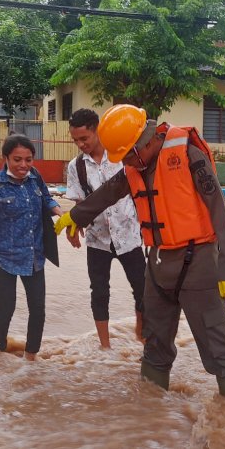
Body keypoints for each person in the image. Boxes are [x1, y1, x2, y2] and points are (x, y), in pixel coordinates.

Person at [54, 104, 225, 405]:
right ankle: (151, 421)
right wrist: (75, 216)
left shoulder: (188, 155)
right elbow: (108, 192)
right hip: (156, 263)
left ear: (148, 139)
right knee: (155, 345)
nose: (127, 162)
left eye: (129, 154)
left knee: (217, 344)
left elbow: (218, 210)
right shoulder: (135, 166)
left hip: (198, 262)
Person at [0, 134, 62, 361]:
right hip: (3, 257)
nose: (24, 165)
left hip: (34, 255)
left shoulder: (35, 177)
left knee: (38, 309)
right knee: (6, 308)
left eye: (28, 160)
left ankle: (31, 358)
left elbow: (47, 199)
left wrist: (60, 212)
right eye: (17, 159)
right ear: (6, 158)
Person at [66, 108, 146, 349]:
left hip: (129, 236)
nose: (80, 144)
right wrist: (73, 229)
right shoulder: (76, 166)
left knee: (143, 290)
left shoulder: (122, 157)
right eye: (76, 140)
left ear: (97, 131)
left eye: (84, 138)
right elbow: (80, 204)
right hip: (97, 239)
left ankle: (141, 335)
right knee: (99, 292)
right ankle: (105, 346)